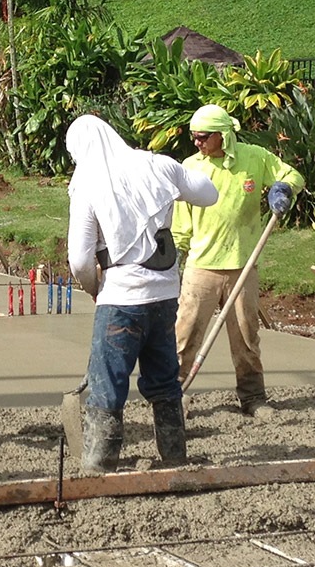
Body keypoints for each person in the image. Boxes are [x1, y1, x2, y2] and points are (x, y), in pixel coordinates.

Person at [66, 115, 218, 472]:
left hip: (121, 299)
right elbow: (208, 193)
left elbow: (79, 259)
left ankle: (99, 466)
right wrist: (175, 174)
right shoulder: (158, 165)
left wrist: (93, 289)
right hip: (165, 297)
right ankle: (175, 457)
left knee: (108, 385)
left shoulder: (87, 183)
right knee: (165, 378)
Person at [172, 104, 305, 418]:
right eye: (193, 136)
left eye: (203, 137)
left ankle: (253, 398)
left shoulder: (254, 158)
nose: (196, 142)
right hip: (201, 266)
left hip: (243, 266)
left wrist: (283, 188)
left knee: (246, 336)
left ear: (223, 136)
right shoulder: (190, 167)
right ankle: (172, 395)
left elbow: (292, 175)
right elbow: (180, 223)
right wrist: (173, 256)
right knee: (185, 334)